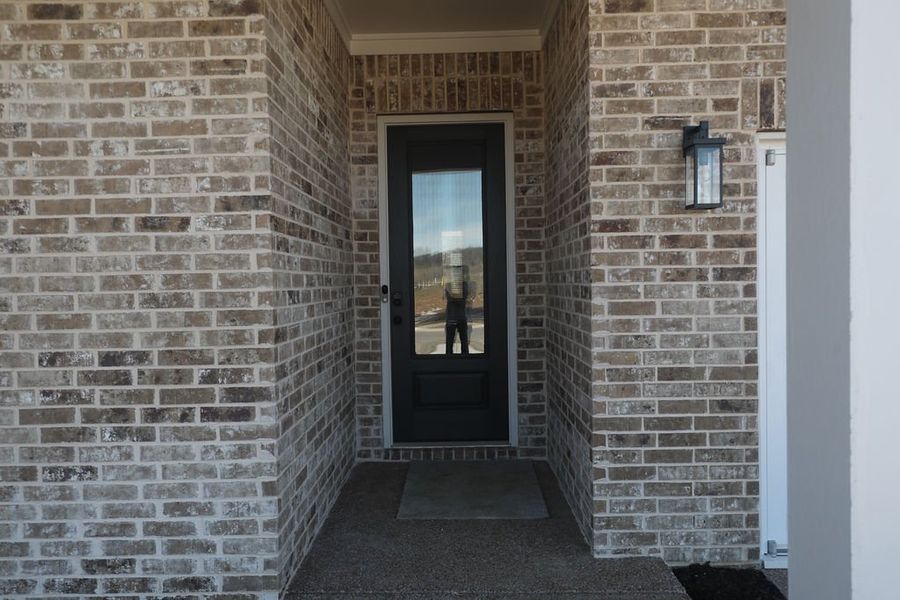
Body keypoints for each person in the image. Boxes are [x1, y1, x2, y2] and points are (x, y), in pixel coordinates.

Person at [443, 264, 471, 354]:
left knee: (464, 344)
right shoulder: (449, 285)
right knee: (449, 344)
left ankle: (466, 363)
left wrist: (454, 297)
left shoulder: (464, 285)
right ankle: (449, 364)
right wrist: (456, 298)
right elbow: (450, 299)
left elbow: (462, 300)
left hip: (461, 317)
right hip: (451, 317)